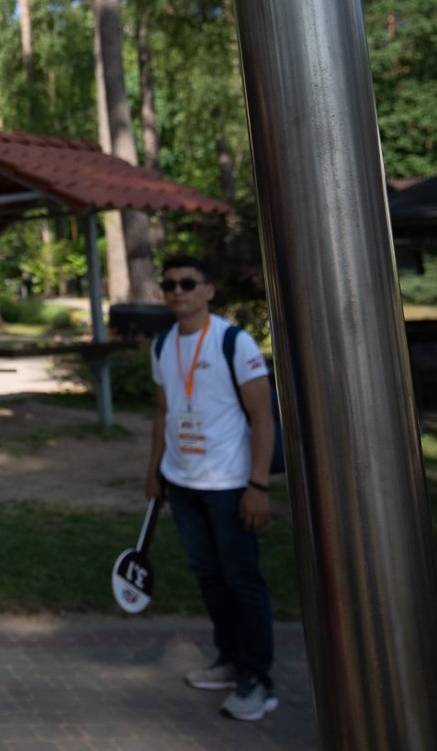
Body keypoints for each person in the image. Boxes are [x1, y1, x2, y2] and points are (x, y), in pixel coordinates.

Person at [145, 255, 279, 722]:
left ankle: (257, 678)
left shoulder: (233, 343)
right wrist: (155, 471)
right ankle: (228, 659)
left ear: (209, 291)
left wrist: (257, 485)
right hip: (182, 482)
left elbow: (263, 417)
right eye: (169, 284)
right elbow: (164, 413)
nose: (177, 291)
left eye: (187, 283)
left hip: (228, 484)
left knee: (242, 580)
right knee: (209, 577)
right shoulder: (162, 345)